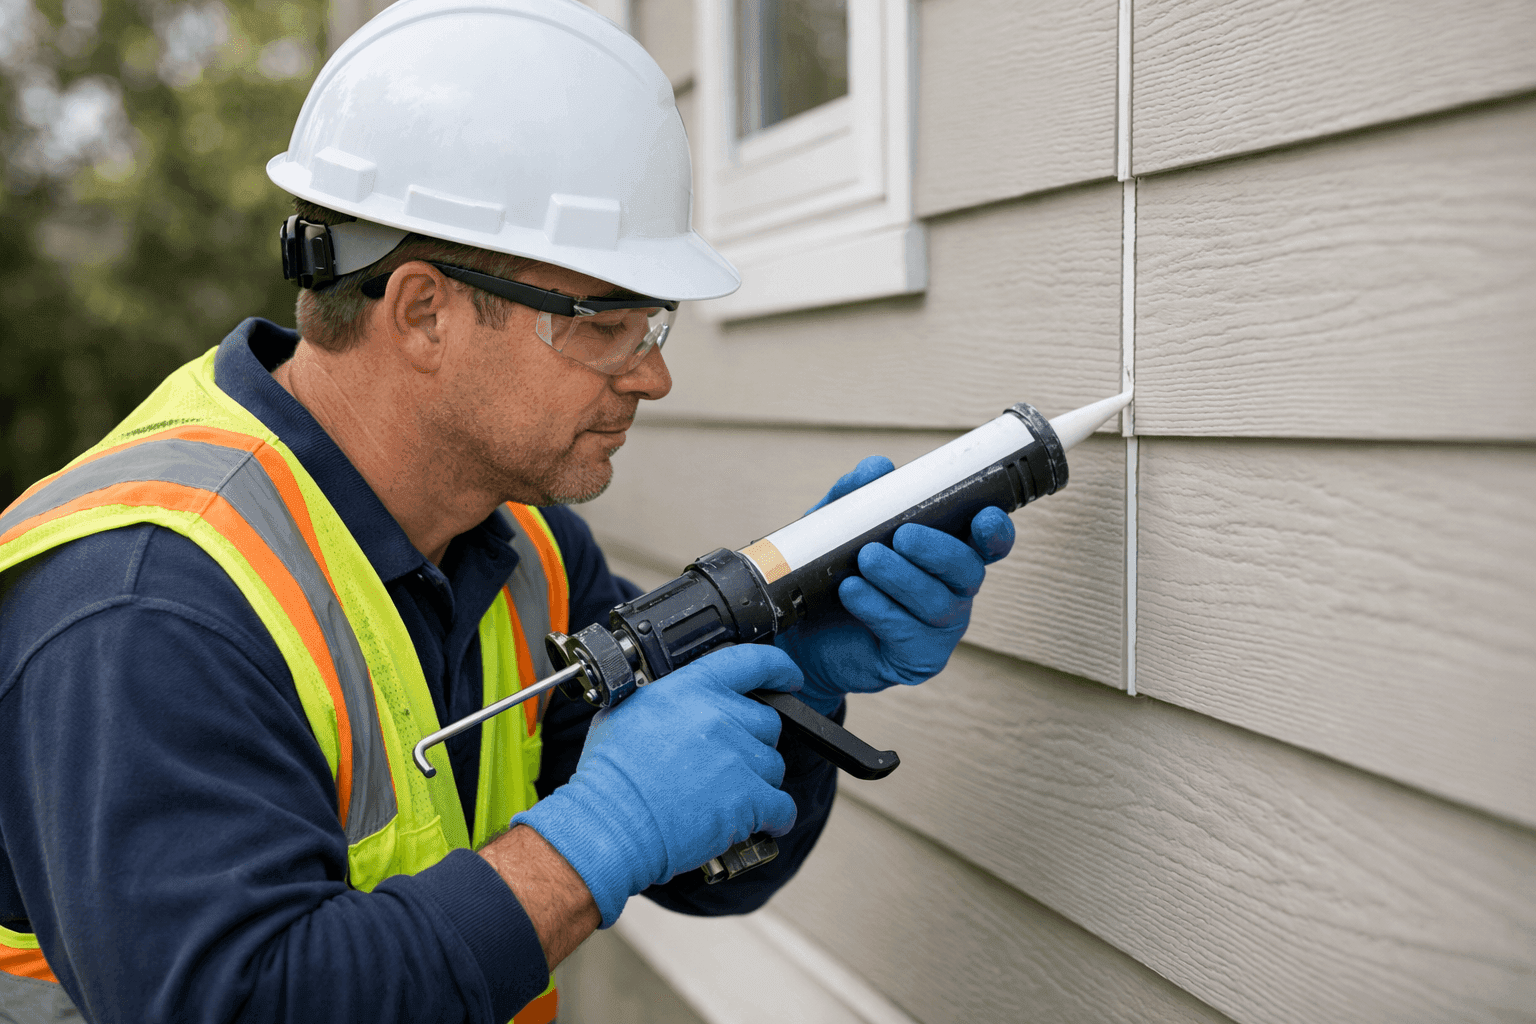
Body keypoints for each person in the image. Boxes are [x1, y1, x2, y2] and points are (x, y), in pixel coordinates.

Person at [0, 1, 1015, 1021]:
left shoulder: (524, 552)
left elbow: (708, 863)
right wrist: (594, 836)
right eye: (605, 320)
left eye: (652, 321)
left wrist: (796, 671)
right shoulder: (150, 603)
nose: (653, 374)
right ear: (424, 312)